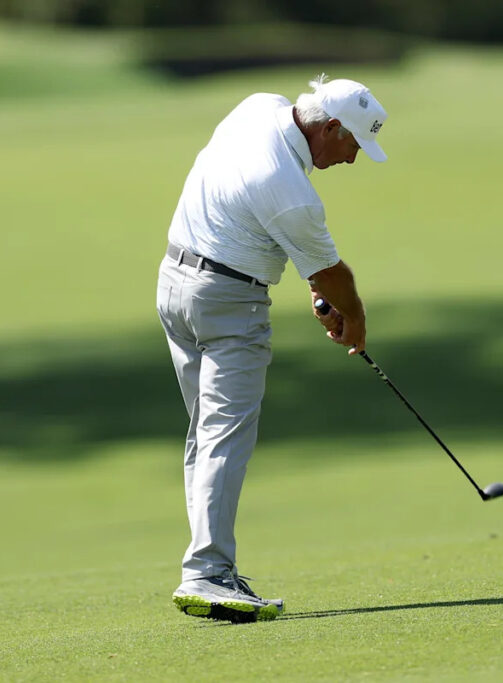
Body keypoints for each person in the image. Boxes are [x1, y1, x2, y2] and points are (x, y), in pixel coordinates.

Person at [156, 74, 388, 623]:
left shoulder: (258, 106)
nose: (353, 158)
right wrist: (353, 317)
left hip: (175, 286)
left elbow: (280, 235)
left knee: (206, 433)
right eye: (353, 143)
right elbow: (331, 275)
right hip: (229, 305)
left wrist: (317, 286)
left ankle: (211, 568)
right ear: (330, 127)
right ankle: (207, 572)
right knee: (224, 434)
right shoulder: (293, 195)